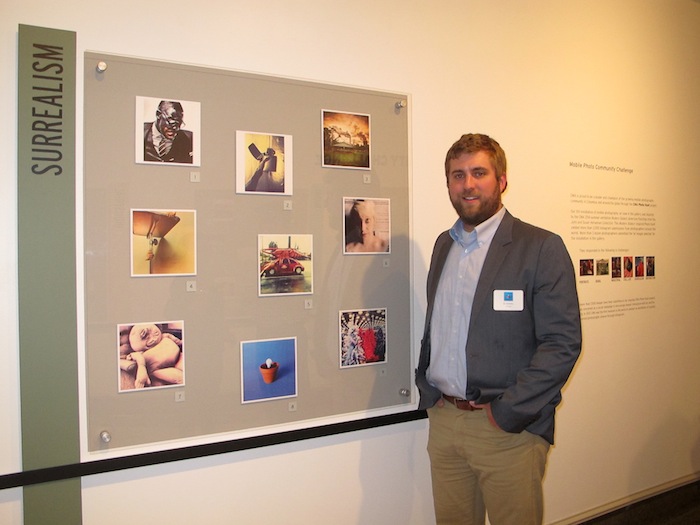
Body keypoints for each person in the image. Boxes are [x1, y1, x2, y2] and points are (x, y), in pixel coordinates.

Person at [415, 133, 582, 525]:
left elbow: (562, 343)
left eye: (479, 173)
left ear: (501, 180)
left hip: (506, 430)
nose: (468, 184)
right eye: (458, 175)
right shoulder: (444, 245)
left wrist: (508, 412)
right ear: (449, 184)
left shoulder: (540, 247)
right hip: (445, 421)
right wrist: (431, 392)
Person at [119, 322, 184, 388]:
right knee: (179, 378)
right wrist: (142, 368)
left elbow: (178, 342)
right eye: (144, 337)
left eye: (155, 333)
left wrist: (181, 342)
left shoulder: (164, 336)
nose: (150, 337)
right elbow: (137, 358)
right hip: (158, 370)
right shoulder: (141, 353)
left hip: (179, 357)